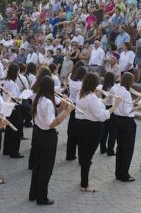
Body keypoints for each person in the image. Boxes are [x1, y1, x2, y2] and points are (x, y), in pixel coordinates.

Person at [29, 76, 73, 205]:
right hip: (46, 137)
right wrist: (68, 112)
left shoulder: (39, 98)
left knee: (38, 166)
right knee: (46, 168)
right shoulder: (47, 102)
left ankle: (33, 194)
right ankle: (42, 197)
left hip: (38, 134)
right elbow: (52, 123)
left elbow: (51, 115)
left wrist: (63, 106)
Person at [75, 73, 121, 192]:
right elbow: (101, 116)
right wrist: (114, 107)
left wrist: (105, 100)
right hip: (92, 128)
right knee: (87, 157)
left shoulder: (81, 93)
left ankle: (83, 180)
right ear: (94, 84)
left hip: (81, 126)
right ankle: (84, 184)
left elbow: (94, 104)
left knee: (84, 154)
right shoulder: (92, 97)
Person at [113, 72, 141, 181]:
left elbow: (126, 105)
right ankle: (124, 175)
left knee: (120, 147)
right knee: (128, 149)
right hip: (127, 122)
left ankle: (118, 173)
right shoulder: (125, 92)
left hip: (118, 120)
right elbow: (127, 110)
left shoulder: (117, 88)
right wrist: (140, 105)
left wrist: (136, 100)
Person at [2, 63, 24, 158]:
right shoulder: (11, 83)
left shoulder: (8, 81)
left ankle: (7, 149)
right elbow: (14, 98)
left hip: (9, 108)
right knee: (15, 130)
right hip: (14, 108)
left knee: (9, 129)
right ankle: (14, 152)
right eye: (18, 71)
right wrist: (23, 96)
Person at [66, 66, 87, 161]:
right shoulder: (81, 84)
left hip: (71, 105)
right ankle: (81, 157)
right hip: (78, 107)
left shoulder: (72, 81)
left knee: (71, 133)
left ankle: (70, 154)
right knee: (80, 134)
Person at [99, 72, 117, 154]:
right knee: (112, 131)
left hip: (103, 107)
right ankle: (110, 150)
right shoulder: (113, 88)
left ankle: (102, 148)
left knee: (104, 130)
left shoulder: (103, 86)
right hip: (110, 108)